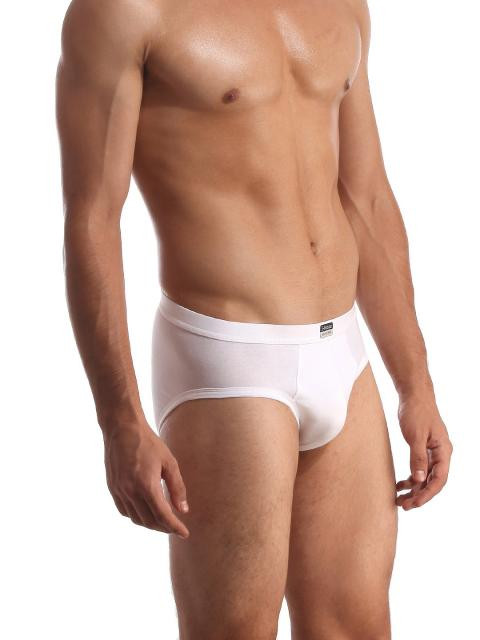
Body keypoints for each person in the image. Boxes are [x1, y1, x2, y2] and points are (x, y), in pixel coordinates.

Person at [56, 0, 453, 637]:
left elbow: (368, 196)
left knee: (355, 626)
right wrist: (119, 419)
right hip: (227, 357)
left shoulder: (341, 7)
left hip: (343, 353)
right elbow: (93, 218)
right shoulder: (126, 11)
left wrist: (416, 383)